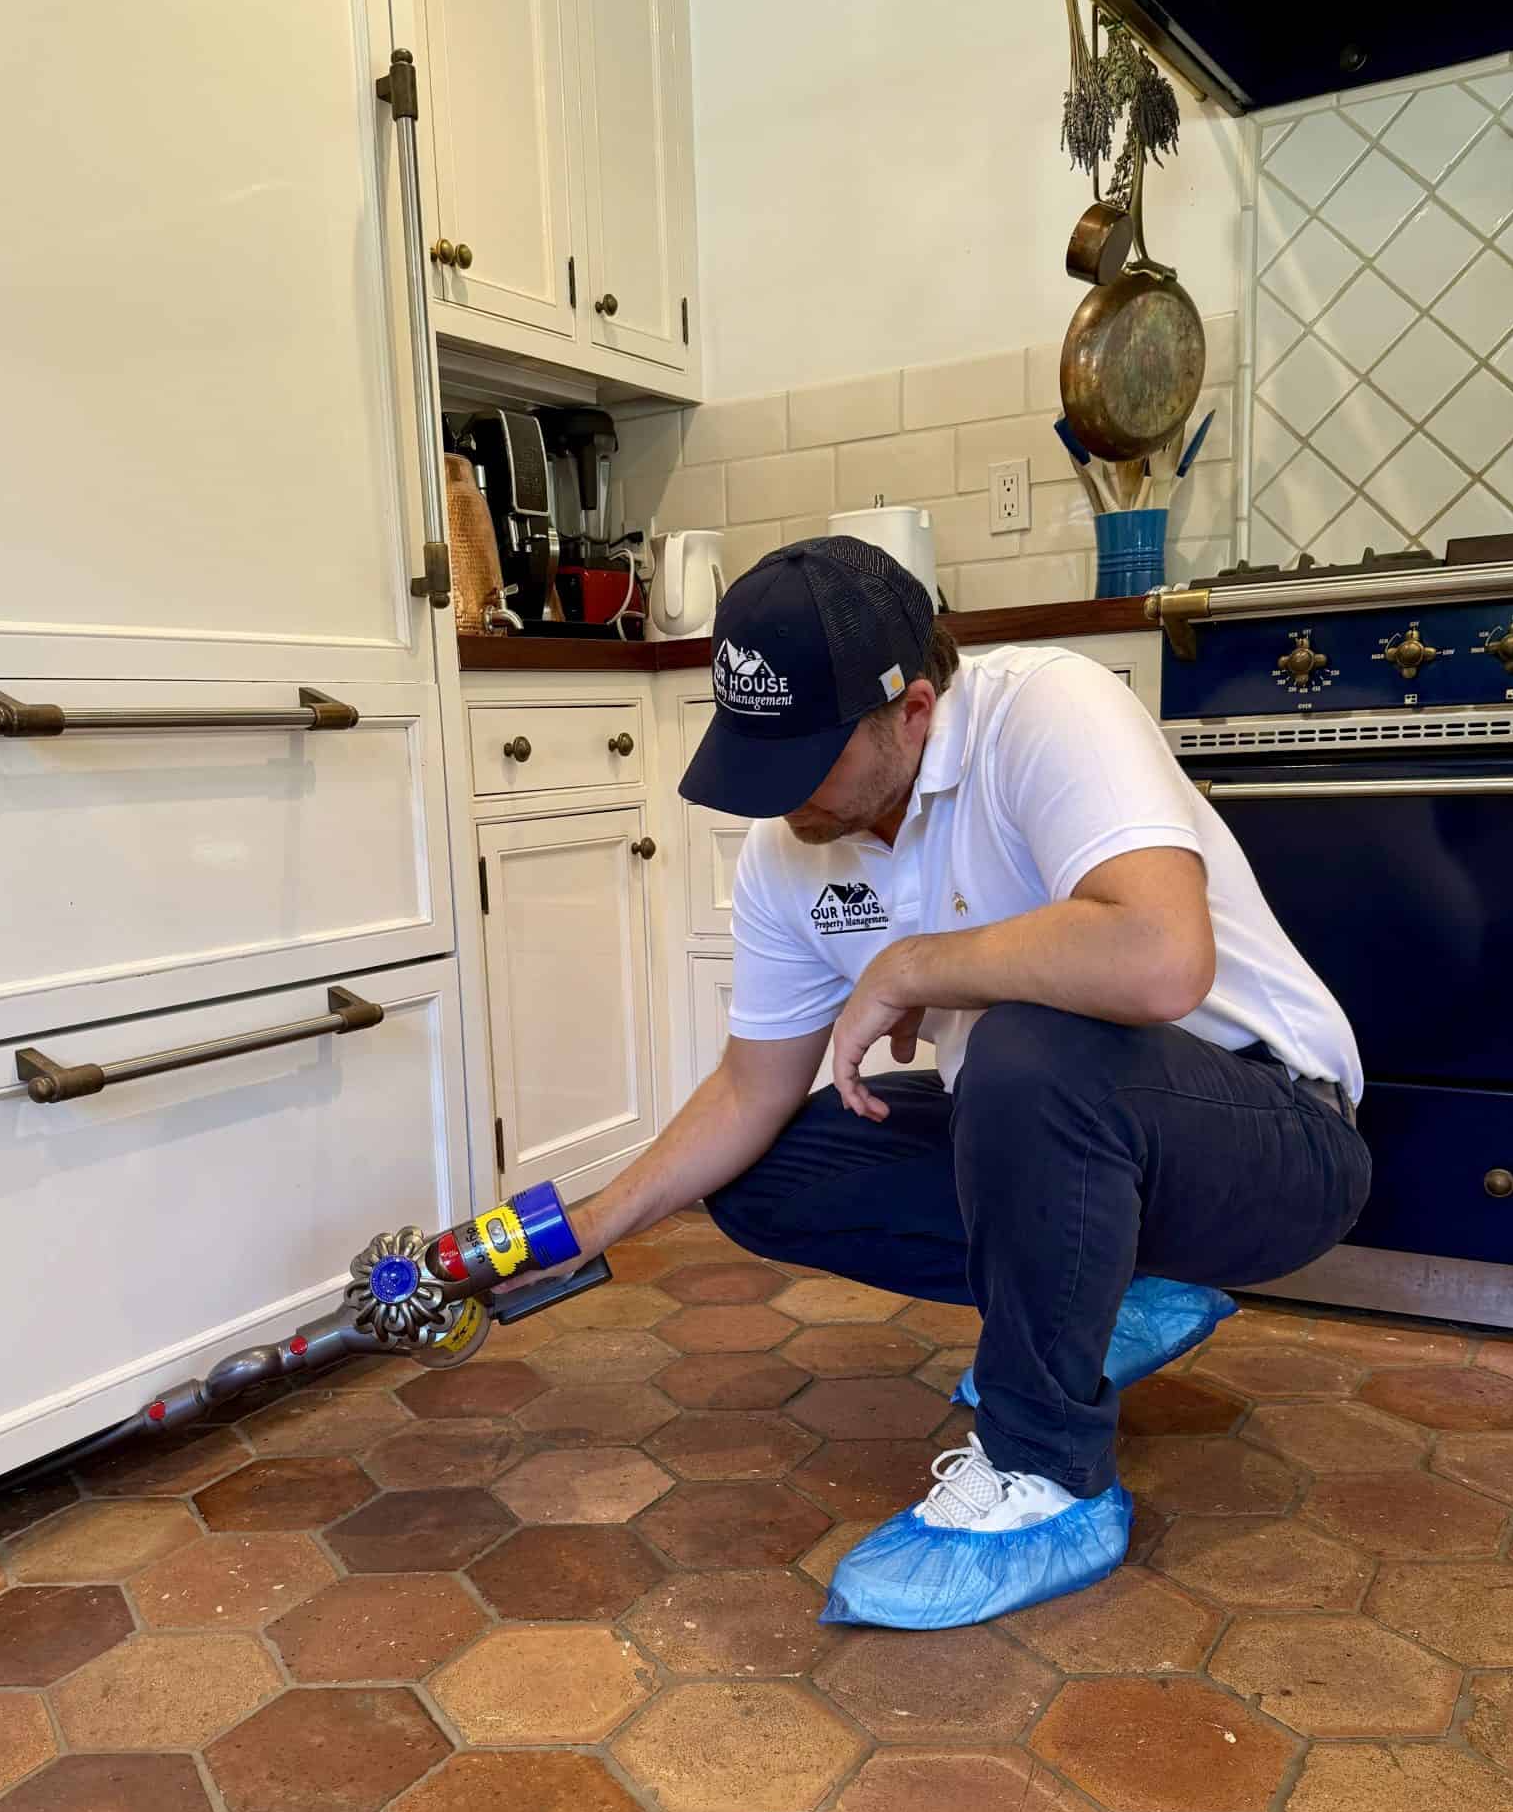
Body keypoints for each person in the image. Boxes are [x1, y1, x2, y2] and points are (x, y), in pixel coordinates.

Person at [570, 535, 1368, 1628]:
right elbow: (750, 1090)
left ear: (912, 709)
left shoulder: (1050, 708)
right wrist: (584, 1227)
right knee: (771, 1171)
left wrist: (913, 966)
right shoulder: (789, 852)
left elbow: (1158, 956)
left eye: (809, 751)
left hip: (1276, 1138)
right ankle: (1110, 1294)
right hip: (1066, 1137)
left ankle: (1047, 1476)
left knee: (1023, 1045)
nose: (782, 796)